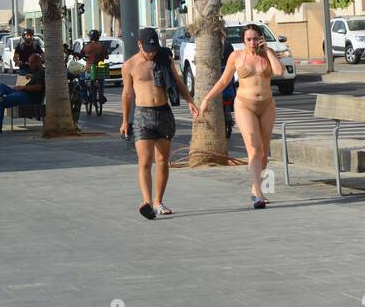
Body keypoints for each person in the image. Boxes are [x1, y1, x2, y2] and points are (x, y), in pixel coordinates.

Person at [198, 23, 284, 209]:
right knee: (254, 149)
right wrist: (207, 99)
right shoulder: (236, 56)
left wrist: (268, 51)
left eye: (255, 39)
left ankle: (257, 188)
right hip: (245, 105)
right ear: (243, 40)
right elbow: (223, 81)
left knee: (264, 153)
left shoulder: (268, 55)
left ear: (261, 38)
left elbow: (279, 71)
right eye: (248, 39)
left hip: (267, 105)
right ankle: (259, 196)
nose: (252, 43)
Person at [121, 28, 198, 219]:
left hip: (164, 112)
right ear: (139, 44)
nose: (151, 53)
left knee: (163, 160)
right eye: (148, 49)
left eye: (154, 49)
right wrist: (124, 120)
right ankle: (147, 202)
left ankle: (158, 202)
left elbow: (178, 82)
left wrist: (190, 101)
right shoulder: (129, 65)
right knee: (145, 160)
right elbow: (127, 94)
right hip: (142, 115)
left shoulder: (164, 59)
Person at [0, 52, 45, 133]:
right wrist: (31, 76)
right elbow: (37, 79)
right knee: (2, 86)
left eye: (31, 63)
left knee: (1, 102)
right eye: (29, 62)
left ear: (38, 62)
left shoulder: (41, 72)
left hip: (28, 97)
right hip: (23, 93)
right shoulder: (37, 72)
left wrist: (22, 87)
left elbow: (38, 87)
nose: (29, 65)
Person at [82, 29, 108, 104]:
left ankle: (84, 98)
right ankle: (101, 94)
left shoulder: (86, 46)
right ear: (98, 37)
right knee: (102, 81)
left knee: (81, 79)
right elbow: (106, 56)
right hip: (100, 69)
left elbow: (81, 55)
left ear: (90, 37)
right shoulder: (102, 46)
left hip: (89, 69)